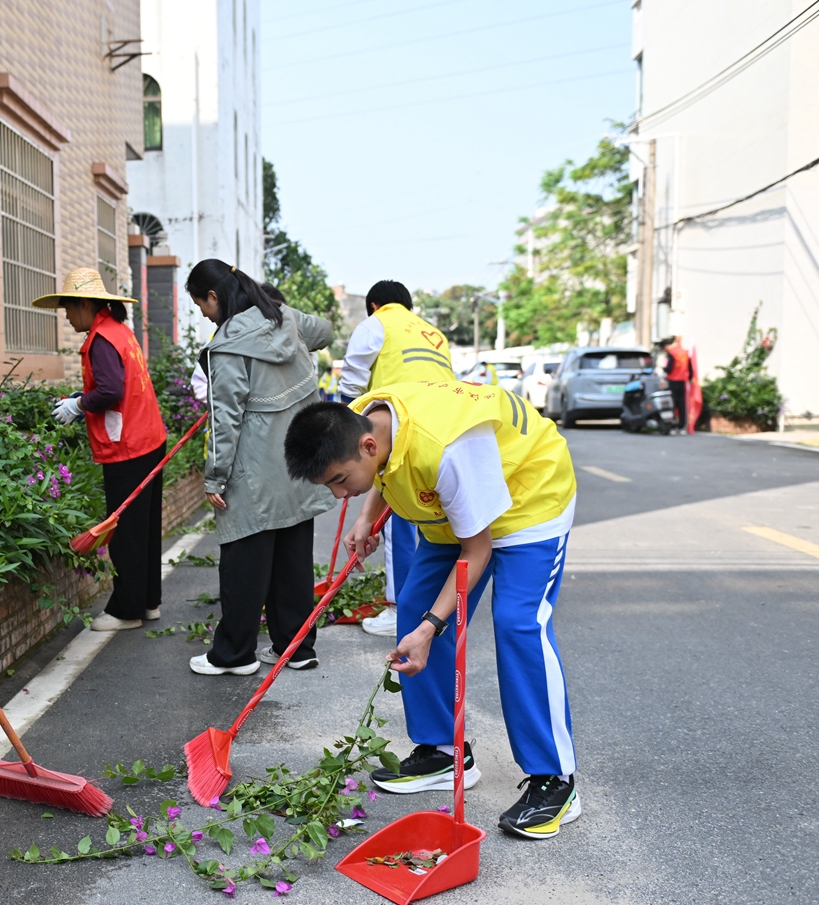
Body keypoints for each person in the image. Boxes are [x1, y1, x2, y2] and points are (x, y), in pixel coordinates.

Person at [283, 383, 583, 840]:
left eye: (340, 481)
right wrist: (367, 518)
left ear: (366, 446)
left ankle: (555, 779)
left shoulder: (445, 448)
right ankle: (444, 751)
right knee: (414, 605)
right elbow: (384, 467)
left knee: (518, 623)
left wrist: (433, 627)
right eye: (330, 486)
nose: (339, 495)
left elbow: (477, 551)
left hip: (528, 498)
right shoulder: (364, 419)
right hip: (458, 508)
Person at [187, 260, 335, 676]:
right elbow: (324, 330)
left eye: (201, 304)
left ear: (214, 296)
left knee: (243, 564)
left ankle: (234, 654)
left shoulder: (227, 346)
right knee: (293, 562)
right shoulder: (283, 317)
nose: (203, 314)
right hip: (298, 464)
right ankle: (297, 647)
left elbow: (226, 419)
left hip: (253, 472)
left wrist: (215, 476)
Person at [35, 268, 167, 631]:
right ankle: (148, 601)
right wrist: (83, 399)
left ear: (83, 304)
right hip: (149, 440)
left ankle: (127, 610)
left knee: (124, 530)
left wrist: (79, 405)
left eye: (67, 308)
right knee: (145, 527)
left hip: (128, 448)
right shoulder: (119, 332)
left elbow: (111, 391)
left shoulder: (100, 340)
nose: (65, 315)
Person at [335, 280, 455, 640]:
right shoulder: (434, 333)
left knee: (398, 520)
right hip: (444, 430)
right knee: (437, 522)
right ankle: (434, 605)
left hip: (401, 429)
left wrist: (342, 437)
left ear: (373, 304)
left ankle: (399, 606)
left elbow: (353, 382)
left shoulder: (375, 324)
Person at [662, 335, 690, 432]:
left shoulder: (672, 353)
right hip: (682, 381)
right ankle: (682, 426)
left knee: (672, 404)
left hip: (672, 381)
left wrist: (663, 369)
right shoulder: (685, 352)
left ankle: (673, 426)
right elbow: (690, 368)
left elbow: (668, 368)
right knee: (682, 404)